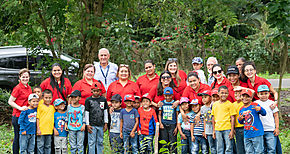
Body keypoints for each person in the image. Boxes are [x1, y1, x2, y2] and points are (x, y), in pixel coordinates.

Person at [72, 64, 106, 154]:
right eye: (88, 71)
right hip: (82, 113)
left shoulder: (98, 83)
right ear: (84, 72)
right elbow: (72, 98)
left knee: (95, 139)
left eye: (92, 71)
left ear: (94, 73)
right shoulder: (79, 84)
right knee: (84, 137)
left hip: (96, 114)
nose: (90, 73)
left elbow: (104, 97)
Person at [8, 68, 32, 154]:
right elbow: (10, 101)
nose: (25, 79)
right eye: (23, 77)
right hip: (17, 116)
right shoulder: (17, 88)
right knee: (18, 137)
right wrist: (20, 108)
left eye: (27, 77)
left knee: (24, 137)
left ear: (29, 77)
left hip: (26, 116)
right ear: (19, 77)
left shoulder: (29, 88)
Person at [238, 89, 266, 154]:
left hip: (257, 133)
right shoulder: (241, 109)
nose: (245, 98)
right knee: (248, 151)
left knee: (259, 151)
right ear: (240, 97)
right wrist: (239, 119)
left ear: (251, 98)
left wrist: (260, 109)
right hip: (247, 134)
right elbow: (241, 122)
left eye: (247, 96)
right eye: (243, 96)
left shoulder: (254, 105)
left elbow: (264, 113)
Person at [85, 82, 109, 154]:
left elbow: (105, 111)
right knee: (91, 142)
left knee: (100, 141)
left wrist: (106, 123)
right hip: (92, 124)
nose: (96, 92)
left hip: (100, 124)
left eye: (98, 91)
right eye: (94, 90)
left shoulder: (103, 99)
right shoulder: (88, 100)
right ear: (91, 91)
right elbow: (87, 112)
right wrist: (87, 124)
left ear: (100, 91)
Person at [255, 85, 279, 154]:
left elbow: (276, 115)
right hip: (259, 130)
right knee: (261, 150)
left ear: (269, 93)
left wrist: (277, 128)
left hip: (270, 129)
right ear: (258, 94)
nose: (263, 95)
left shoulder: (272, 103)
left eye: (266, 93)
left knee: (271, 149)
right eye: (261, 94)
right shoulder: (256, 103)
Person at [212, 86, 235, 154]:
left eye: (226, 93)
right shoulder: (215, 104)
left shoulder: (230, 104)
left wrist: (232, 130)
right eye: (222, 93)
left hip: (227, 128)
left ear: (228, 94)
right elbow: (213, 117)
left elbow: (232, 117)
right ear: (218, 93)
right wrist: (213, 130)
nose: (224, 95)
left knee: (229, 147)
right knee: (219, 147)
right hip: (218, 129)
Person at [158, 87, 178, 154]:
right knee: (164, 142)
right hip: (164, 125)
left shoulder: (174, 104)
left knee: (173, 142)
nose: (168, 97)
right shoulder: (162, 103)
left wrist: (176, 127)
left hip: (172, 125)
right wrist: (160, 123)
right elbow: (160, 114)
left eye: (169, 95)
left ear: (172, 95)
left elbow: (177, 116)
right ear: (164, 95)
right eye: (166, 96)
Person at [66, 90, 86, 154]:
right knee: (72, 145)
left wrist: (84, 125)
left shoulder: (82, 107)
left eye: (75, 97)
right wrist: (66, 124)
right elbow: (67, 116)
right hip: (71, 128)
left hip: (80, 128)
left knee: (80, 145)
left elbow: (84, 117)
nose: (73, 99)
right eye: (72, 97)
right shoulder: (69, 107)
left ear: (79, 98)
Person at [37, 89, 55, 154]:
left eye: (50, 98)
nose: (48, 99)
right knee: (40, 146)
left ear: (52, 98)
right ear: (43, 98)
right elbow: (37, 118)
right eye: (46, 98)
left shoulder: (52, 107)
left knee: (48, 146)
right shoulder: (40, 106)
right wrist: (38, 129)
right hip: (41, 131)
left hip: (49, 131)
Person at [232, 87, 245, 154]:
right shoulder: (233, 105)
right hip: (237, 128)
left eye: (239, 92)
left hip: (246, 127)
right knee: (239, 147)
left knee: (247, 146)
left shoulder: (245, 102)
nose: (237, 94)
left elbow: (253, 92)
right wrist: (233, 128)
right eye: (236, 93)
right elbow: (232, 117)